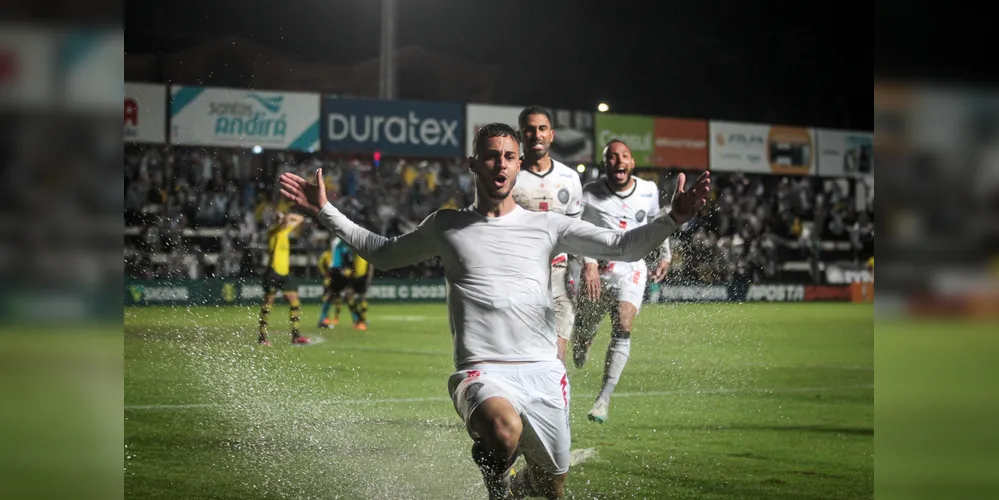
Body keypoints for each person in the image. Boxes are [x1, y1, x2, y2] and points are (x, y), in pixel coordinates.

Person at [278, 123, 710, 500]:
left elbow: (623, 246)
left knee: (552, 487)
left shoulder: (547, 225)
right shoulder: (446, 225)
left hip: (543, 372)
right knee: (503, 430)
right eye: (491, 156)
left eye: (509, 157)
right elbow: (384, 255)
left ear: (519, 165)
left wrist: (674, 218)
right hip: (482, 372)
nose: (500, 164)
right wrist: (324, 211)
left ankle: (519, 485)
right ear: (473, 164)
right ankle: (497, 487)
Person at [571, 139, 672, 424]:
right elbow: (577, 230)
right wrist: (588, 263)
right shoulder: (589, 194)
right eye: (612, 157)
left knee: (623, 323)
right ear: (605, 164)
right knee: (583, 334)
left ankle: (603, 400)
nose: (619, 161)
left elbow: (657, 221)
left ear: (632, 163)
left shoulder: (648, 190)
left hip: (631, 269)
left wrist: (665, 254)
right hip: (597, 272)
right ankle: (583, 341)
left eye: (624, 156)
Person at [511, 105, 584, 365]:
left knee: (556, 356)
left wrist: (590, 264)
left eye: (542, 129)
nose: (536, 135)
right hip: (518, 279)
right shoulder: (509, 177)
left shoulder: (570, 178)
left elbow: (576, 229)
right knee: (522, 356)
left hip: (558, 277)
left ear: (551, 134)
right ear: (520, 136)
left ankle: (555, 405)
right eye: (529, 130)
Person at [258, 211, 311, 345]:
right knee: (268, 304)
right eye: (283, 220)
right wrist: (284, 219)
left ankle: (296, 336)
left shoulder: (285, 230)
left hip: (285, 273)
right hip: (273, 272)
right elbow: (282, 223)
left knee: (294, 303)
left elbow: (301, 218)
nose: (287, 222)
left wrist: (289, 215)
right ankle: (262, 337)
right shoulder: (273, 231)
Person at [316, 236, 352, 329]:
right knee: (331, 294)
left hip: (342, 272)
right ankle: (323, 319)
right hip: (336, 271)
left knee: (347, 294)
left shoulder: (345, 245)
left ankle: (357, 320)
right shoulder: (337, 242)